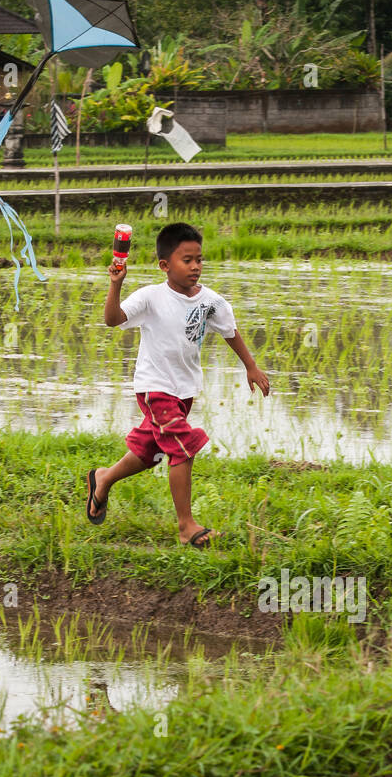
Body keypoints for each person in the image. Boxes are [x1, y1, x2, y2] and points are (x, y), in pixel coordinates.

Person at [86, 221, 270, 548]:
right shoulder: (150, 297)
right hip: (155, 388)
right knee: (182, 447)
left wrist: (251, 366)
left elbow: (229, 330)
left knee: (150, 450)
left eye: (199, 259)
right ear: (165, 265)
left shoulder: (210, 301)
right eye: (187, 260)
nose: (196, 266)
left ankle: (103, 478)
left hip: (184, 392)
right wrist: (115, 285)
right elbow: (112, 320)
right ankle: (186, 527)